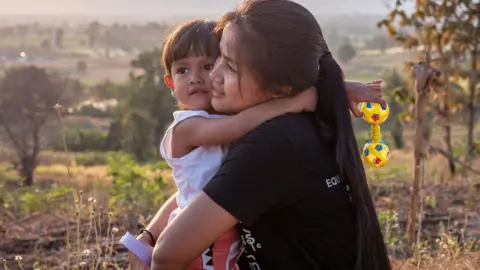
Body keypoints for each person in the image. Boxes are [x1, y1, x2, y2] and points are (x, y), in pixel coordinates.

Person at [129, 8, 389, 270]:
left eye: (227, 65)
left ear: (280, 89)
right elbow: (205, 187)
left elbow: (167, 256)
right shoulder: (298, 123)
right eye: (217, 60)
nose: (212, 77)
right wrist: (149, 235)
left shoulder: (272, 143)